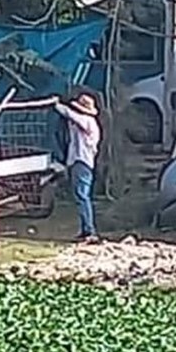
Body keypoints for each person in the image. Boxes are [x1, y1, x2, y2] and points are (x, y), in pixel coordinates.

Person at [54, 91, 101, 243]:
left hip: (83, 162)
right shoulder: (81, 123)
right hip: (77, 161)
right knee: (80, 196)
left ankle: (89, 230)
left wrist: (57, 105)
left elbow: (70, 114)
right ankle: (86, 229)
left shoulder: (88, 121)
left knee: (82, 196)